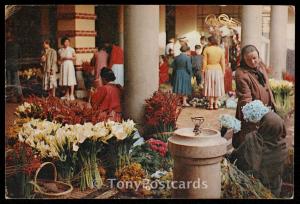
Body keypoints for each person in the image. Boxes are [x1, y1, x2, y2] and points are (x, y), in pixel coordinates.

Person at [233, 110, 288, 197]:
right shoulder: (283, 147)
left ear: (263, 125)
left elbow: (235, 156)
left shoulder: (252, 139)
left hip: (252, 188)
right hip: (274, 189)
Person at [233, 45, 276, 148]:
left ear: (258, 57)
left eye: (254, 58)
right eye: (248, 59)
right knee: (250, 142)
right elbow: (245, 98)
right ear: (243, 59)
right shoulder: (241, 74)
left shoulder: (260, 66)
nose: (252, 62)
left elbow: (266, 85)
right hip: (252, 114)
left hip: (267, 109)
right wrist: (254, 116)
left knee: (265, 141)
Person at [202, 35, 225, 110]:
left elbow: (204, 61)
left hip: (209, 69)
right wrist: (223, 71)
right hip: (218, 70)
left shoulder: (206, 49)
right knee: (217, 87)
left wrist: (203, 70)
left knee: (210, 87)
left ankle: (210, 105)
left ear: (210, 41)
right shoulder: (221, 50)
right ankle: (216, 104)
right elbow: (223, 62)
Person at [58, 36, 77, 101]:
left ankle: (72, 94)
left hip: (69, 65)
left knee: (70, 79)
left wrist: (68, 58)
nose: (67, 43)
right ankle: (67, 94)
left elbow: (75, 58)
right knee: (65, 80)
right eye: (65, 42)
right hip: (63, 65)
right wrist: (61, 60)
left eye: (68, 42)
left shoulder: (71, 49)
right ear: (63, 43)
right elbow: (59, 59)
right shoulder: (60, 50)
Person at [6, 31, 22, 101]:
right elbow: (20, 56)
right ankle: (18, 96)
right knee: (16, 81)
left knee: (8, 82)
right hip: (15, 65)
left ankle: (9, 97)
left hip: (7, 65)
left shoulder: (6, 46)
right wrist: (19, 66)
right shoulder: (17, 46)